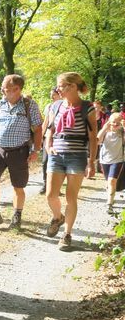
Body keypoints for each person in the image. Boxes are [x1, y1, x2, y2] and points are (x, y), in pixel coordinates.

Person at [0, 74, 43, 231]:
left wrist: (36, 150)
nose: (3, 91)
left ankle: (17, 217)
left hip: (19, 151)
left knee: (18, 187)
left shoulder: (29, 105)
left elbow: (37, 129)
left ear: (17, 89)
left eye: (6, 89)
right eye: (3, 88)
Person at [44, 72, 97, 250]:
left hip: (77, 157)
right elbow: (50, 131)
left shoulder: (87, 107)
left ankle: (66, 235)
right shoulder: (56, 106)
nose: (57, 88)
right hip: (56, 155)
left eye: (60, 85)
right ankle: (58, 217)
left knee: (70, 197)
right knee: (51, 195)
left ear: (72, 87)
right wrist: (48, 146)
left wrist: (91, 162)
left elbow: (92, 136)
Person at [97, 113, 123, 213]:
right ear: (109, 122)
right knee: (108, 181)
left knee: (112, 180)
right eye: (113, 122)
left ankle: (109, 204)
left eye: (118, 122)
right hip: (104, 160)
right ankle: (110, 193)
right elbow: (97, 140)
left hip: (117, 160)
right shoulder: (105, 131)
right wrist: (104, 128)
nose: (115, 124)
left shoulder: (122, 132)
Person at [40, 88, 62, 194]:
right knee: (45, 161)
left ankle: (56, 187)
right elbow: (45, 122)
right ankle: (45, 184)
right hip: (48, 137)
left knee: (57, 163)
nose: (51, 97)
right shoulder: (49, 107)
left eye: (53, 95)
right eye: (51, 95)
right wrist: (41, 136)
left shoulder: (64, 106)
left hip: (59, 138)